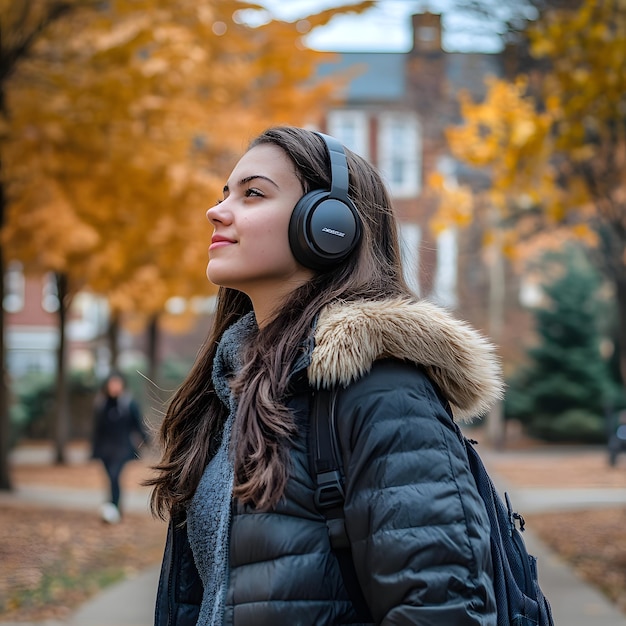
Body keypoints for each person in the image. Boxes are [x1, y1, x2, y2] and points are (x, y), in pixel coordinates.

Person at [149, 126, 503, 625]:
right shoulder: (232, 388)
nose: (218, 209)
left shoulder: (382, 391)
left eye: (252, 194)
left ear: (327, 224)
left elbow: (444, 611)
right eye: (224, 193)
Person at [91, 371, 148, 523]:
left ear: (122, 385)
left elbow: (138, 425)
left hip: (123, 449)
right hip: (105, 449)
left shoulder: (129, 404)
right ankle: (113, 508)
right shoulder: (101, 404)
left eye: (117, 383)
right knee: (110, 478)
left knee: (115, 476)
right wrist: (93, 450)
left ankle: (113, 509)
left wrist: (146, 441)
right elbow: (97, 430)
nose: (114, 387)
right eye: (111, 384)